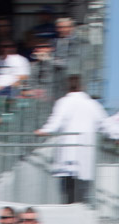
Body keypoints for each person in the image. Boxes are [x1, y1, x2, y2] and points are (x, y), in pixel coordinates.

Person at [34, 75, 106, 204]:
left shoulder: (63, 102)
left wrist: (44, 130)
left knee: (67, 193)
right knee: (82, 194)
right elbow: (105, 123)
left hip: (67, 156)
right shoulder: (92, 104)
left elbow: (55, 122)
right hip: (85, 155)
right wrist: (118, 136)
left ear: (67, 87)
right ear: (82, 87)